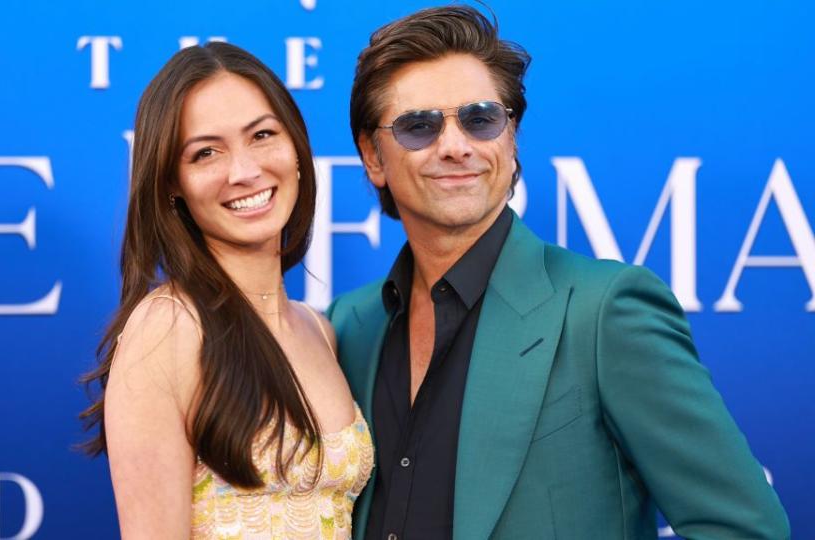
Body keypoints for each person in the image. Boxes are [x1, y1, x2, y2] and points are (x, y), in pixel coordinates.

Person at [326, 6, 790, 540]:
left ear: (510, 137)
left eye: (480, 119)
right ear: (372, 156)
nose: (455, 146)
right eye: (418, 127)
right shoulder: (353, 323)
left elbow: (745, 527)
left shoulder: (604, 311)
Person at [79, 42, 373, 539]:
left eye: (262, 135)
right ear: (173, 183)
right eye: (206, 152)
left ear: (297, 149)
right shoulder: (168, 328)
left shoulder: (319, 330)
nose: (244, 171)